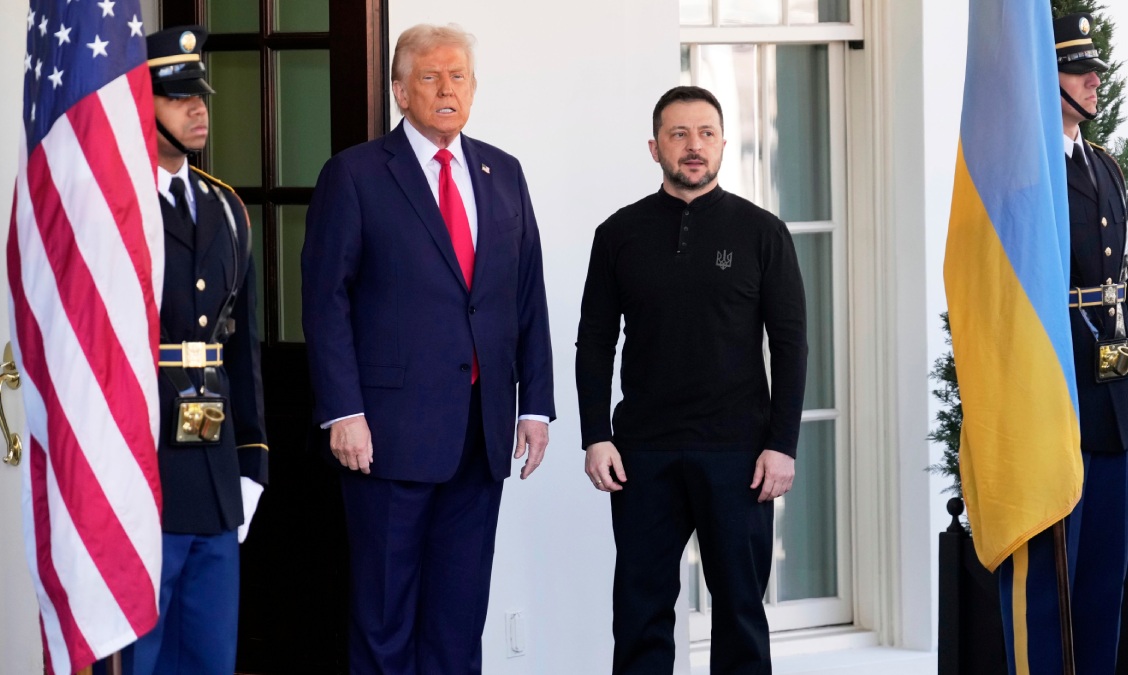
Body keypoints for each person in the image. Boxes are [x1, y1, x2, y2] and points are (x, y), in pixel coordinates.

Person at [301, 23, 555, 675]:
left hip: (481, 433)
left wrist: (535, 406)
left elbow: (525, 295)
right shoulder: (354, 174)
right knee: (385, 618)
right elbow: (326, 302)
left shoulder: (503, 172)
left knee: (458, 618)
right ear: (400, 91)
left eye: (458, 77)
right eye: (431, 77)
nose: (447, 90)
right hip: (387, 435)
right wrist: (343, 411)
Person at [575, 85, 808, 674]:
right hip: (642, 454)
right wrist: (595, 435)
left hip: (738, 455)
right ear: (655, 148)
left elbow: (790, 345)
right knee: (640, 614)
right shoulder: (618, 233)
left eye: (706, 133)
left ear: (724, 143)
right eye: (678, 134)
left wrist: (782, 444)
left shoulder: (762, 233)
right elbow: (595, 341)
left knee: (740, 615)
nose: (693, 146)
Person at [121, 26, 269, 674]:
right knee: (142, 657)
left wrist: (252, 460)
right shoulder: (117, 205)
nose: (198, 108)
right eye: (178, 97)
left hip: (213, 471)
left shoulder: (226, 207)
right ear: (142, 105)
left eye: (199, 95)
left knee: (211, 656)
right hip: (142, 465)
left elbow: (243, 347)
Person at [1008, 12, 1128, 674]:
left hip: (1111, 393)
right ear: (1043, 79)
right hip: (1056, 388)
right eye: (1078, 71)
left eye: (1095, 71)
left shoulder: (1104, 165)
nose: (1093, 82)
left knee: (1105, 574)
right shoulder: (1026, 172)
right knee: (1052, 579)